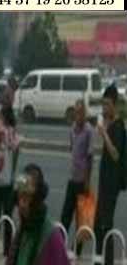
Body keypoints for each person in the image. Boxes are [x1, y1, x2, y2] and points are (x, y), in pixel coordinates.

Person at [94, 84, 126, 265]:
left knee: (106, 223)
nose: (104, 108)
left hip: (112, 184)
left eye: (107, 104)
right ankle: (98, 262)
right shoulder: (109, 123)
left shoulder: (118, 126)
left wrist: (104, 133)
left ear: (114, 105)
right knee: (98, 223)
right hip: (104, 181)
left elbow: (115, 154)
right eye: (103, 104)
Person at [59, 99, 94, 242]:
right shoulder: (72, 128)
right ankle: (60, 244)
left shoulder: (89, 130)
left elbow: (90, 157)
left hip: (82, 181)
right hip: (72, 178)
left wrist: (87, 181)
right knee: (65, 216)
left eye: (81, 112)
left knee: (81, 219)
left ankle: (77, 250)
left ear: (85, 113)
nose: (78, 116)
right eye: (76, 112)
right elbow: (71, 148)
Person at [0, 105, 21, 257]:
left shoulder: (1, 131)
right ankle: (7, 248)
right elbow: (17, 149)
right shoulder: (11, 132)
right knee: (7, 213)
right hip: (7, 177)